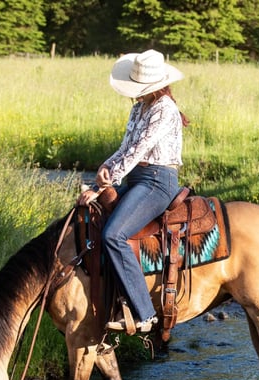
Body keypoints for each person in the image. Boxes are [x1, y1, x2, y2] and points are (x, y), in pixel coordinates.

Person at [77, 49, 188, 333]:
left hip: (157, 181)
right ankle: (113, 301)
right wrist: (105, 168)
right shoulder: (139, 107)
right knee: (96, 221)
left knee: (114, 234)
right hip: (137, 178)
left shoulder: (165, 109)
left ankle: (145, 313)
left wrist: (104, 184)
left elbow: (139, 150)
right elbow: (126, 148)